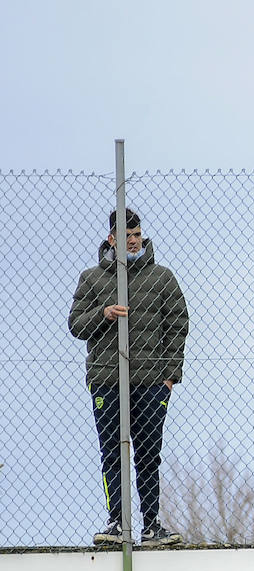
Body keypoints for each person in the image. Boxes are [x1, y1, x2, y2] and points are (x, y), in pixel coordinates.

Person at [68, 209, 188, 547]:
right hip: (107, 379)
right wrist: (103, 313)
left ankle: (151, 526)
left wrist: (170, 377)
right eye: (126, 235)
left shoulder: (162, 278)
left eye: (136, 234)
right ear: (112, 239)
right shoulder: (91, 279)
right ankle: (117, 524)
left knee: (149, 452)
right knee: (112, 453)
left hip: (152, 382)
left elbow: (178, 325)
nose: (133, 240)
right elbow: (76, 325)